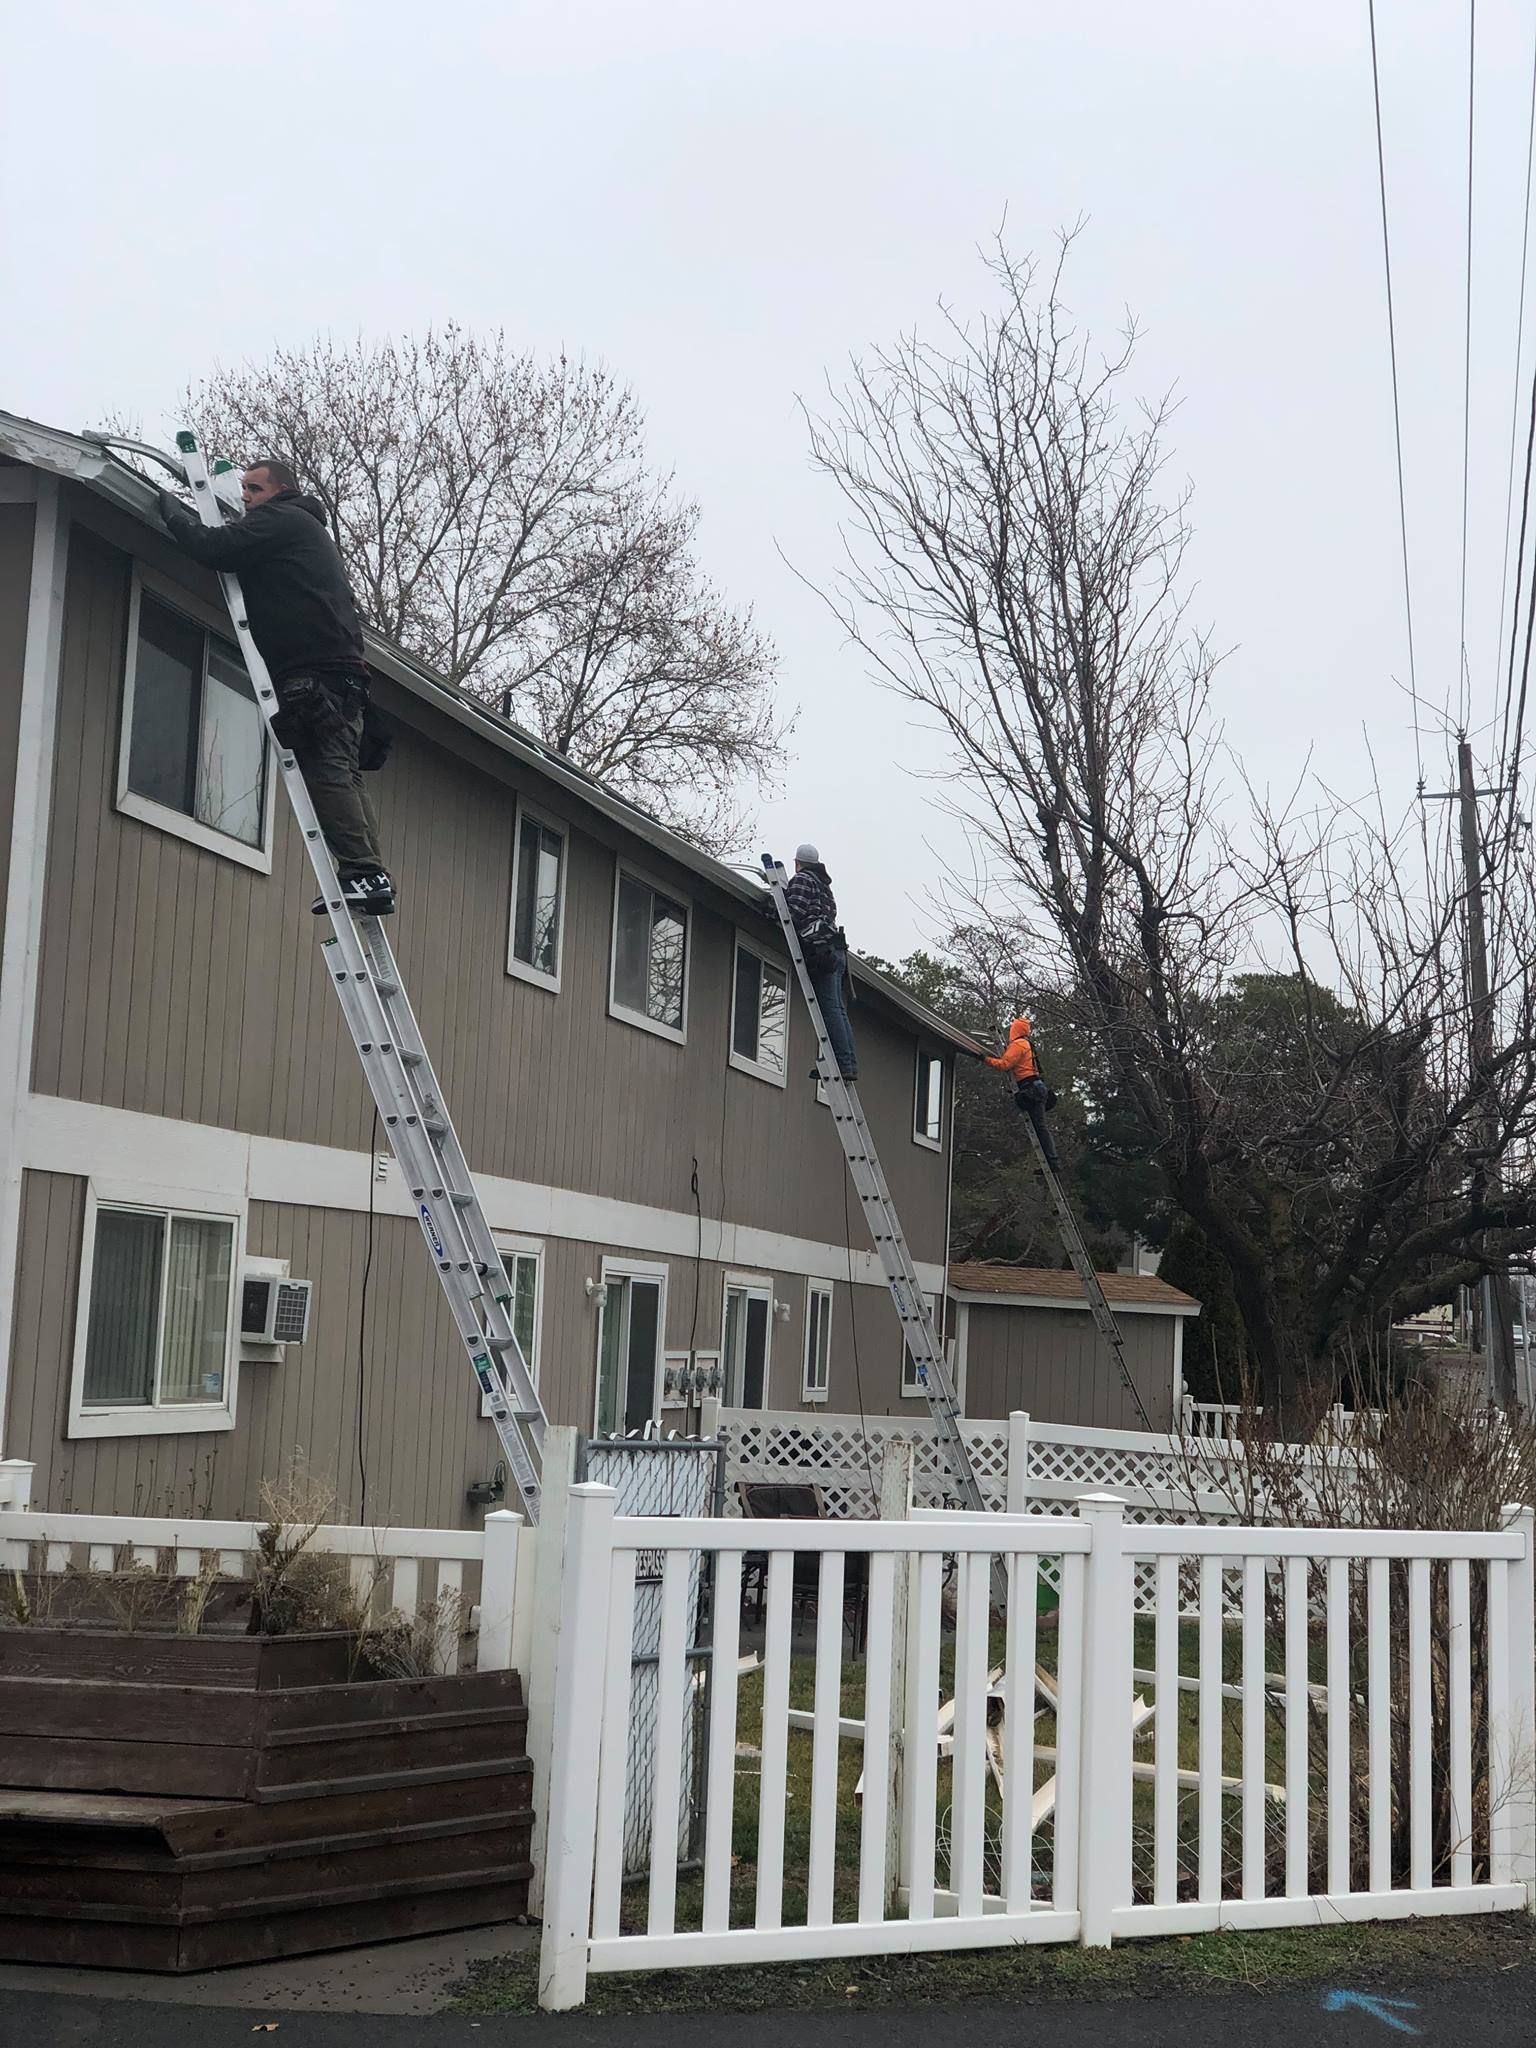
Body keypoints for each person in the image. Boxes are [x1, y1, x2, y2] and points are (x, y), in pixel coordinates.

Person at [157, 458, 397, 917]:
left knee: (327, 771)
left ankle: (362, 871)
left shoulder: (281, 519)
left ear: (280, 490)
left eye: (255, 488)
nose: (246, 496)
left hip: (315, 673)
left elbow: (217, 549)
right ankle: (370, 874)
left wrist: (171, 510)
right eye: (242, 488)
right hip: (342, 675)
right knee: (343, 773)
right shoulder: (306, 529)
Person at [784, 844, 858, 1081]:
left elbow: (793, 912)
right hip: (836, 950)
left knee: (829, 1009)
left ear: (797, 862)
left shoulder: (802, 879)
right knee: (837, 1010)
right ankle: (846, 1063)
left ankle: (841, 1064)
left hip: (822, 950)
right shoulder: (825, 887)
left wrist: (769, 909)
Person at [986, 1016, 1060, 1170]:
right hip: (1036, 1086)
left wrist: (984, 1058)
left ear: (1015, 1030)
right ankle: (1051, 1162)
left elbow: (1004, 1064)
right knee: (1040, 1127)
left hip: (1031, 1088)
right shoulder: (1027, 1044)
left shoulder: (1019, 1044)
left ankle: (1052, 1162)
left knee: (1040, 1127)